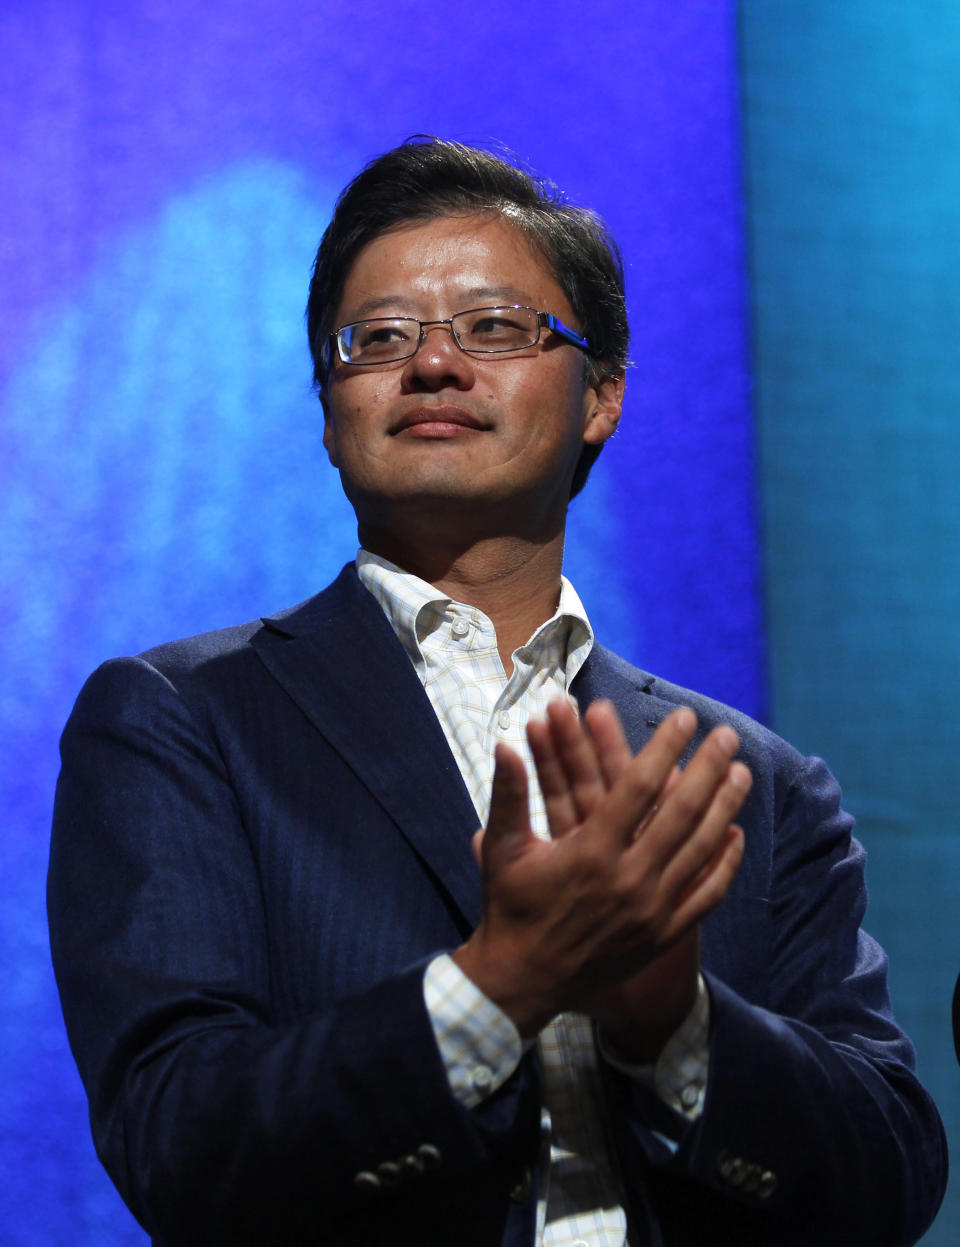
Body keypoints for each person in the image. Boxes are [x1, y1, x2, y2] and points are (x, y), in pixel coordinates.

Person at [49, 138, 946, 1247]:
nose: (433, 365)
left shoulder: (754, 783)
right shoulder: (183, 720)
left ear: (601, 396)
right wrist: (502, 979)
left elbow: (889, 1182)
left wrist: (672, 1017)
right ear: (330, 413)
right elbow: (181, 1145)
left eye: (494, 327)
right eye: (378, 338)